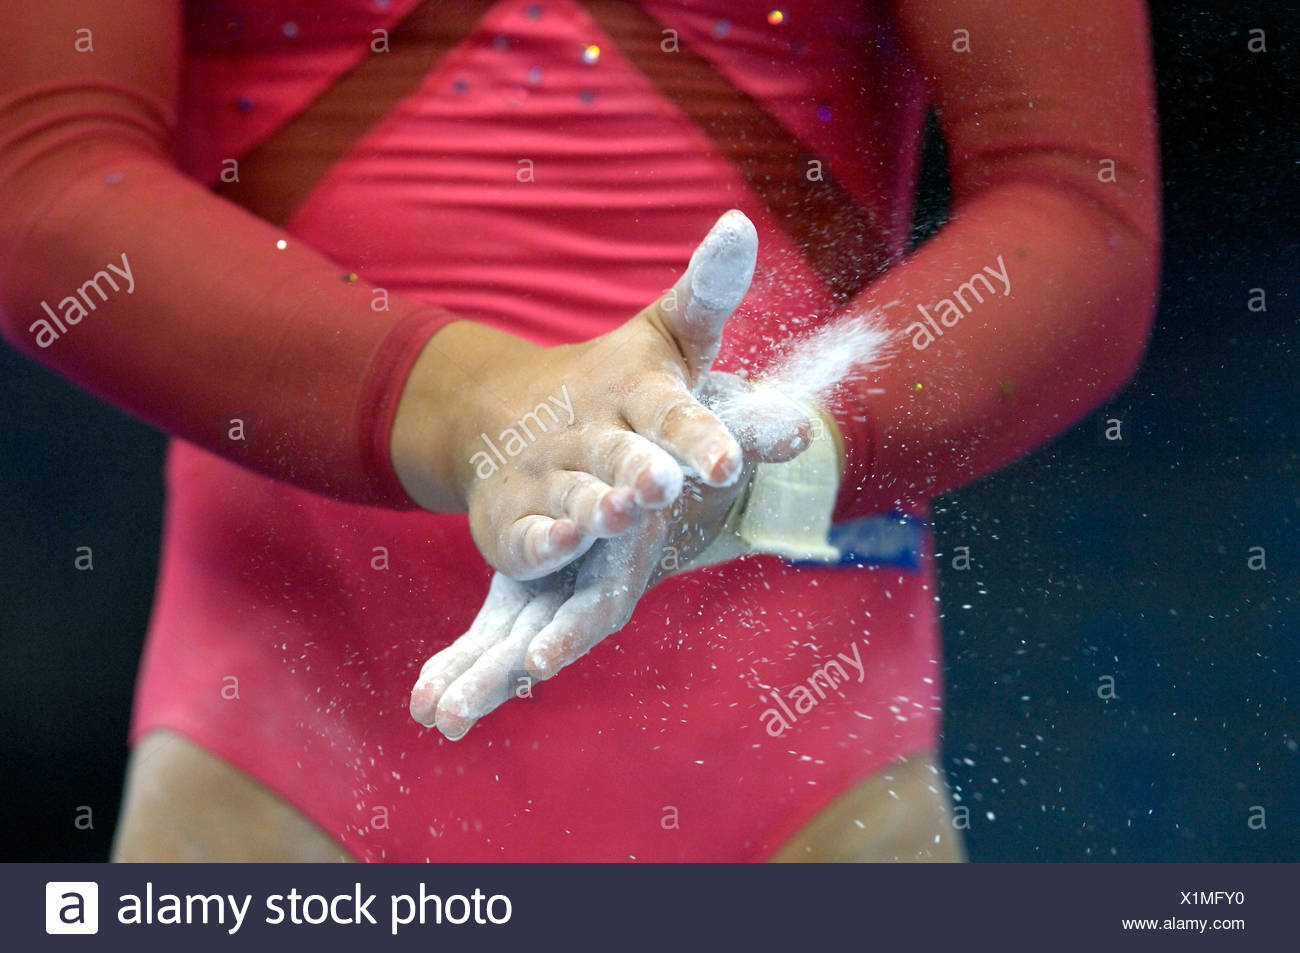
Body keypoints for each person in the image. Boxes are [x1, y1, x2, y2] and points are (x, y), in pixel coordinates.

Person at [0, 0, 1159, 862]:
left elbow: (1077, 202)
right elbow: (46, 183)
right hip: (276, 776)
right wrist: (482, 408)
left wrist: (760, 454)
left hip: (804, 777)